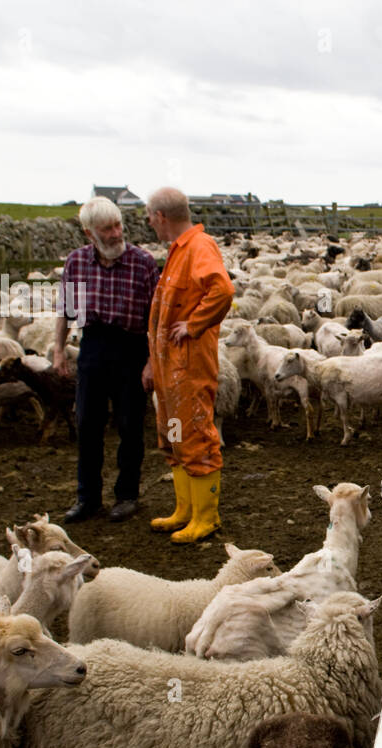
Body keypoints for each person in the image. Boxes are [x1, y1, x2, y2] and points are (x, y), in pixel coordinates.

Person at [55, 196, 159, 524]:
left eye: (118, 226)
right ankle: (87, 498)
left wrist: (152, 361)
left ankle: (127, 495)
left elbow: (156, 318)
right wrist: (58, 350)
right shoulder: (76, 262)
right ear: (90, 233)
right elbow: (66, 311)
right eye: (107, 229)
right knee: (87, 425)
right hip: (94, 346)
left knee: (130, 426)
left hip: (132, 347)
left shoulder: (144, 263)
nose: (115, 234)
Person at [142, 186, 234, 543]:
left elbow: (222, 289)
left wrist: (194, 324)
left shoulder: (199, 246)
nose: (148, 222)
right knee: (175, 435)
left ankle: (206, 517)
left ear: (161, 216)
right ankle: (185, 510)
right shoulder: (178, 250)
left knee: (195, 436)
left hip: (189, 368)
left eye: (149, 216)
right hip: (170, 369)